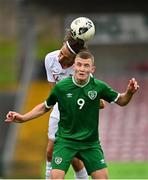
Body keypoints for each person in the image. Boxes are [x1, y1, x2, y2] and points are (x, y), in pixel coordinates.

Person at [5, 51, 139, 179]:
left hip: (90, 144)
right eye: (79, 64)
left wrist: (129, 93)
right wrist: (22, 118)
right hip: (66, 142)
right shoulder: (61, 87)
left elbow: (121, 101)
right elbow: (44, 107)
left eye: (86, 65)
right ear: (74, 66)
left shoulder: (99, 87)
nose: (82, 69)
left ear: (92, 69)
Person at [43, 32, 105, 179]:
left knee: (73, 155)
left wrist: (92, 101)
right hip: (61, 108)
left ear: (75, 60)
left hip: (78, 113)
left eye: (66, 56)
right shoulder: (50, 59)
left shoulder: (82, 71)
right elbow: (55, 92)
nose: (60, 57)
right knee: (50, 152)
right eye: (61, 52)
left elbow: (99, 102)